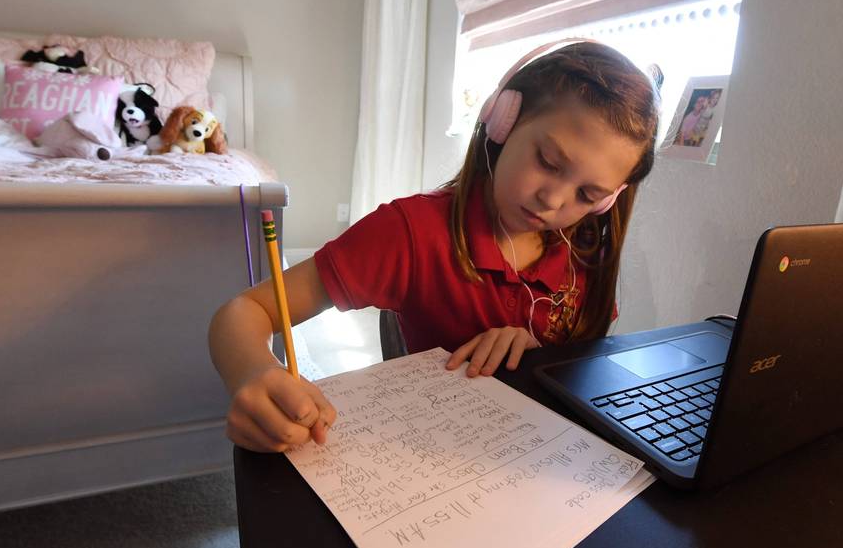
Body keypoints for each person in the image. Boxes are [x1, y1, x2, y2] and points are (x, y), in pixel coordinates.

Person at [208, 40, 660, 453]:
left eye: (587, 195)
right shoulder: (412, 232)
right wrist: (254, 372)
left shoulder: (585, 246)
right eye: (548, 161)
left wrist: (540, 353)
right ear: (503, 121)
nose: (555, 200)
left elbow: (587, 365)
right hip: (439, 464)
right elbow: (245, 312)